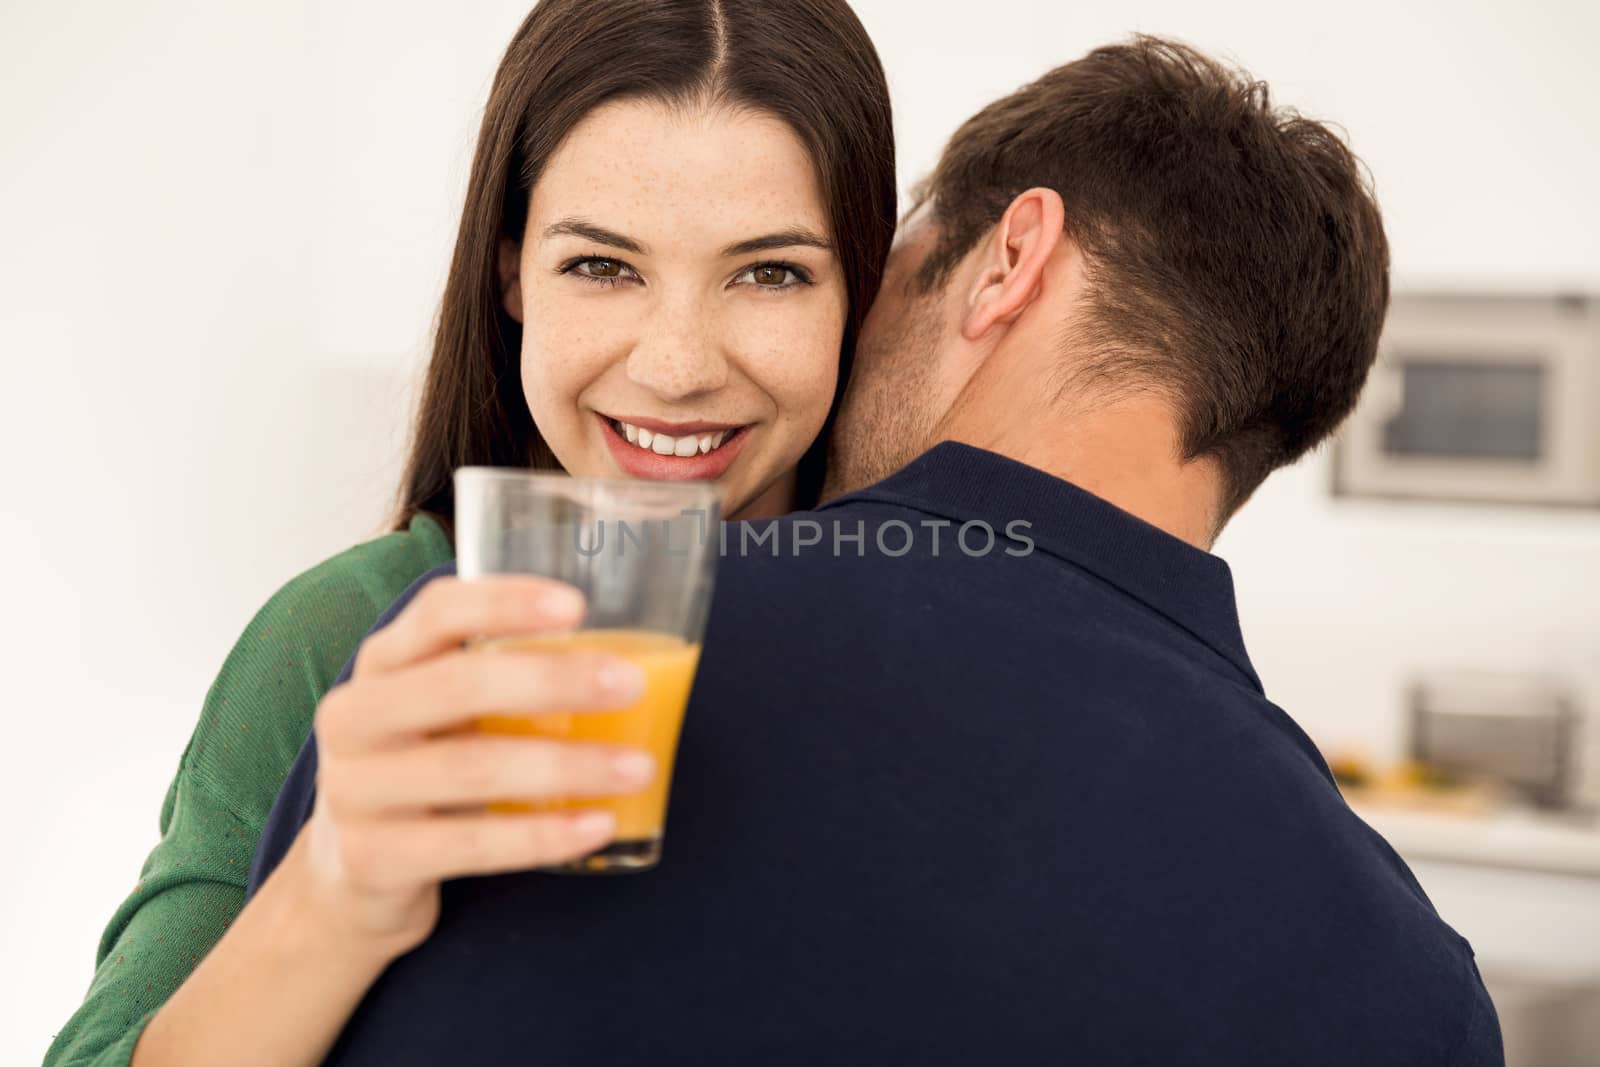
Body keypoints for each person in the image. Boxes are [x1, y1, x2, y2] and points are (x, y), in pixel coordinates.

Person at [247, 36, 1504, 1065]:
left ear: (1008, 258)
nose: (683, 363)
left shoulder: (543, 655)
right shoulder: (1416, 982)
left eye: (803, 273)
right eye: (603, 266)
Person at [44, 2, 895, 1064]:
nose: (678, 365)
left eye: (770, 272)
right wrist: (330, 897)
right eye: (601, 265)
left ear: (860, 294)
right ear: (510, 275)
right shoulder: (349, 630)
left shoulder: (927, 633)